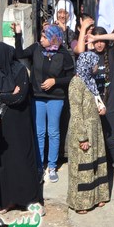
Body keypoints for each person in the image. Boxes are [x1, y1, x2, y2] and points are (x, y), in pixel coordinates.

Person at [13, 23, 75, 183]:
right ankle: (39, 166)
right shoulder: (36, 49)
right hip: (37, 96)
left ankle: (52, 166)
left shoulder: (64, 54)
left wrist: (55, 81)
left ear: (54, 38)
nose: (41, 39)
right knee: (39, 132)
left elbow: (71, 77)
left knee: (53, 132)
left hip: (56, 98)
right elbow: (19, 53)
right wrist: (18, 34)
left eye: (44, 37)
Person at [0, 42, 41, 213]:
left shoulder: (19, 71)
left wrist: (0, 95)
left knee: (22, 161)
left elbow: (20, 97)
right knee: (4, 164)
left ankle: (29, 201)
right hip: (1, 125)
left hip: (19, 125)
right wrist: (8, 95)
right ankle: (7, 201)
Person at [67, 52, 111, 214]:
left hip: (95, 128)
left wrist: (101, 107)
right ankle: (81, 202)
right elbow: (76, 112)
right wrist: (82, 137)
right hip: (83, 129)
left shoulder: (90, 81)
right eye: (93, 64)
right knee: (83, 165)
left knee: (95, 163)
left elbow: (95, 100)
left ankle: (97, 196)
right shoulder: (76, 83)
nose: (95, 67)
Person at [89, 27, 114, 195]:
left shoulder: (112, 53)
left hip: (111, 106)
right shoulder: (89, 57)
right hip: (94, 106)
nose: (99, 44)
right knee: (97, 144)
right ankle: (100, 179)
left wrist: (99, 37)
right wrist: (89, 40)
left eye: (101, 41)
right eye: (96, 41)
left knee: (112, 142)